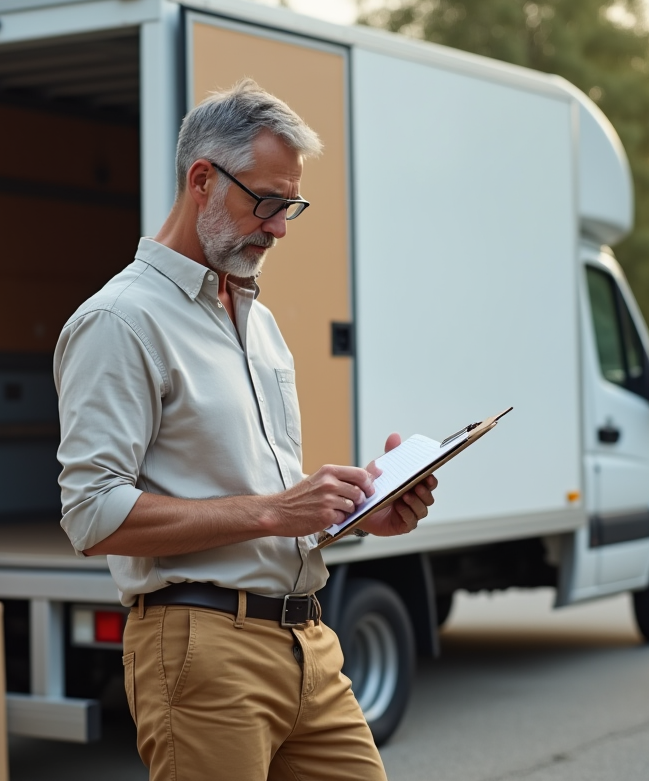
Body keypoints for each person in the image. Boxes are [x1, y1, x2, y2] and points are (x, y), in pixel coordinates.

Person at [54, 79, 437, 781]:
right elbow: (90, 515)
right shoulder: (119, 322)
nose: (280, 227)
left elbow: (259, 495)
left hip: (308, 641)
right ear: (202, 179)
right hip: (199, 648)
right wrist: (272, 510)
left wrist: (354, 514)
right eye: (265, 202)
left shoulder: (256, 321)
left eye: (290, 206)